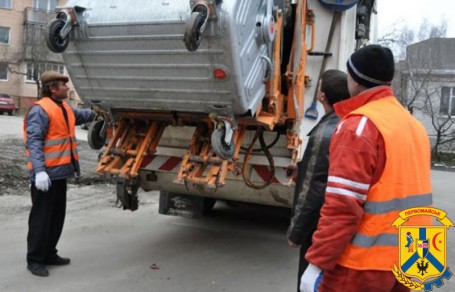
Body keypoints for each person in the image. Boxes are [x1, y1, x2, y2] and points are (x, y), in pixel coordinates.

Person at [300, 45, 433, 292]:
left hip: (365, 265)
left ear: (355, 79)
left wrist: (317, 262)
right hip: (414, 257)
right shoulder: (413, 125)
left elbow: (343, 207)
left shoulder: (359, 126)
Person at [24, 71, 96, 277]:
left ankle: (49, 253)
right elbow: (34, 142)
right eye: (63, 85)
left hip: (60, 175)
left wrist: (99, 110)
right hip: (45, 177)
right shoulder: (40, 110)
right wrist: (39, 171)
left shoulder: (63, 107)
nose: (67, 88)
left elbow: (82, 116)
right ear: (53, 88)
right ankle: (35, 260)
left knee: (56, 218)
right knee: (41, 219)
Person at [287, 69, 350, 291]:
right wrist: (302, 168)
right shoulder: (344, 123)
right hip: (335, 225)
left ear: (322, 95)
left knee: (309, 282)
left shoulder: (324, 133)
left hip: (317, 227)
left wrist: (297, 232)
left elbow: (313, 188)